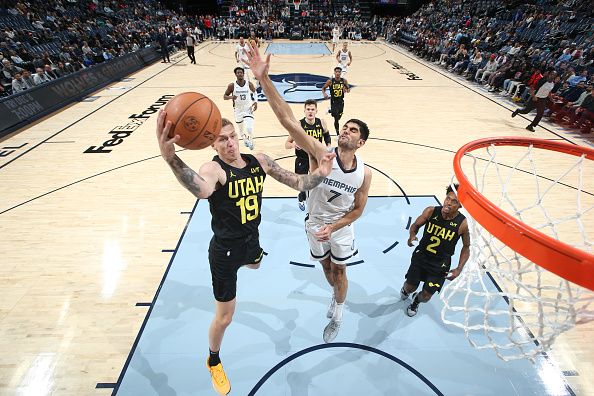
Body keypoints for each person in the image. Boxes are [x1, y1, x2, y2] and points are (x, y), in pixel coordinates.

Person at [156, 111, 335, 396]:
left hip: (251, 241)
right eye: (221, 140)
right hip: (224, 252)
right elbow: (202, 190)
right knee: (225, 318)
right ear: (212, 145)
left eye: (232, 138)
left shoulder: (259, 161)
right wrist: (171, 157)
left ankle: (252, 257)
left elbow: (298, 182)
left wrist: (321, 174)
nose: (229, 144)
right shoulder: (213, 170)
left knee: (255, 263)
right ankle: (213, 359)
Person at [247, 42, 372, 343]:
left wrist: (336, 226)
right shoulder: (321, 152)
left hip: (340, 228)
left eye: (354, 130)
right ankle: (335, 293)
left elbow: (358, 210)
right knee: (327, 270)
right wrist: (264, 79)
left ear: (361, 142)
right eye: (347, 127)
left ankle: (339, 312)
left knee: (340, 273)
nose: (347, 130)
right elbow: (288, 120)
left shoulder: (364, 173)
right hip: (315, 224)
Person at [400, 184, 470, 317]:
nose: (448, 203)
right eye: (448, 198)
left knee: (426, 296)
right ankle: (406, 290)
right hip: (421, 257)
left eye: (454, 201)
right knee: (410, 287)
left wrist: (459, 268)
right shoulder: (431, 211)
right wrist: (412, 236)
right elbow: (416, 225)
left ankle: (416, 301)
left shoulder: (463, 224)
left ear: (461, 206)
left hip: (440, 264)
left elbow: (466, 247)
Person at [285, 99, 331, 211]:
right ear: (304, 111)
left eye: (312, 109)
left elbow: (327, 137)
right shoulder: (299, 125)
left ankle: (317, 201)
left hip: (316, 157)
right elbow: (287, 144)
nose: (310, 112)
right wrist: (293, 145)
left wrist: (328, 146)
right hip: (303, 158)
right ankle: (301, 197)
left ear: (316, 111)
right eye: (308, 109)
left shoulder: (322, 122)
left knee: (319, 182)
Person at [223, 67, 258, 150]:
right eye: (238, 73)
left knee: (249, 128)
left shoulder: (248, 84)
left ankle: (251, 141)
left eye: (241, 72)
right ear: (235, 74)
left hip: (247, 108)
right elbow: (225, 96)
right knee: (240, 128)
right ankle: (244, 137)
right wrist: (231, 97)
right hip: (238, 109)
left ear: (243, 73)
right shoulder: (232, 85)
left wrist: (255, 102)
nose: (240, 74)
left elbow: (255, 92)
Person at [322, 67, 350, 135]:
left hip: (341, 101)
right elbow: (323, 88)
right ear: (334, 72)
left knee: (339, 116)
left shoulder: (344, 81)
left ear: (341, 73)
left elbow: (348, 89)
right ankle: (338, 134)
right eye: (336, 72)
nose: (337, 73)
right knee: (336, 118)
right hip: (334, 101)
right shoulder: (330, 81)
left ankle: (329, 111)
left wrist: (346, 90)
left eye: (339, 72)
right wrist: (324, 94)